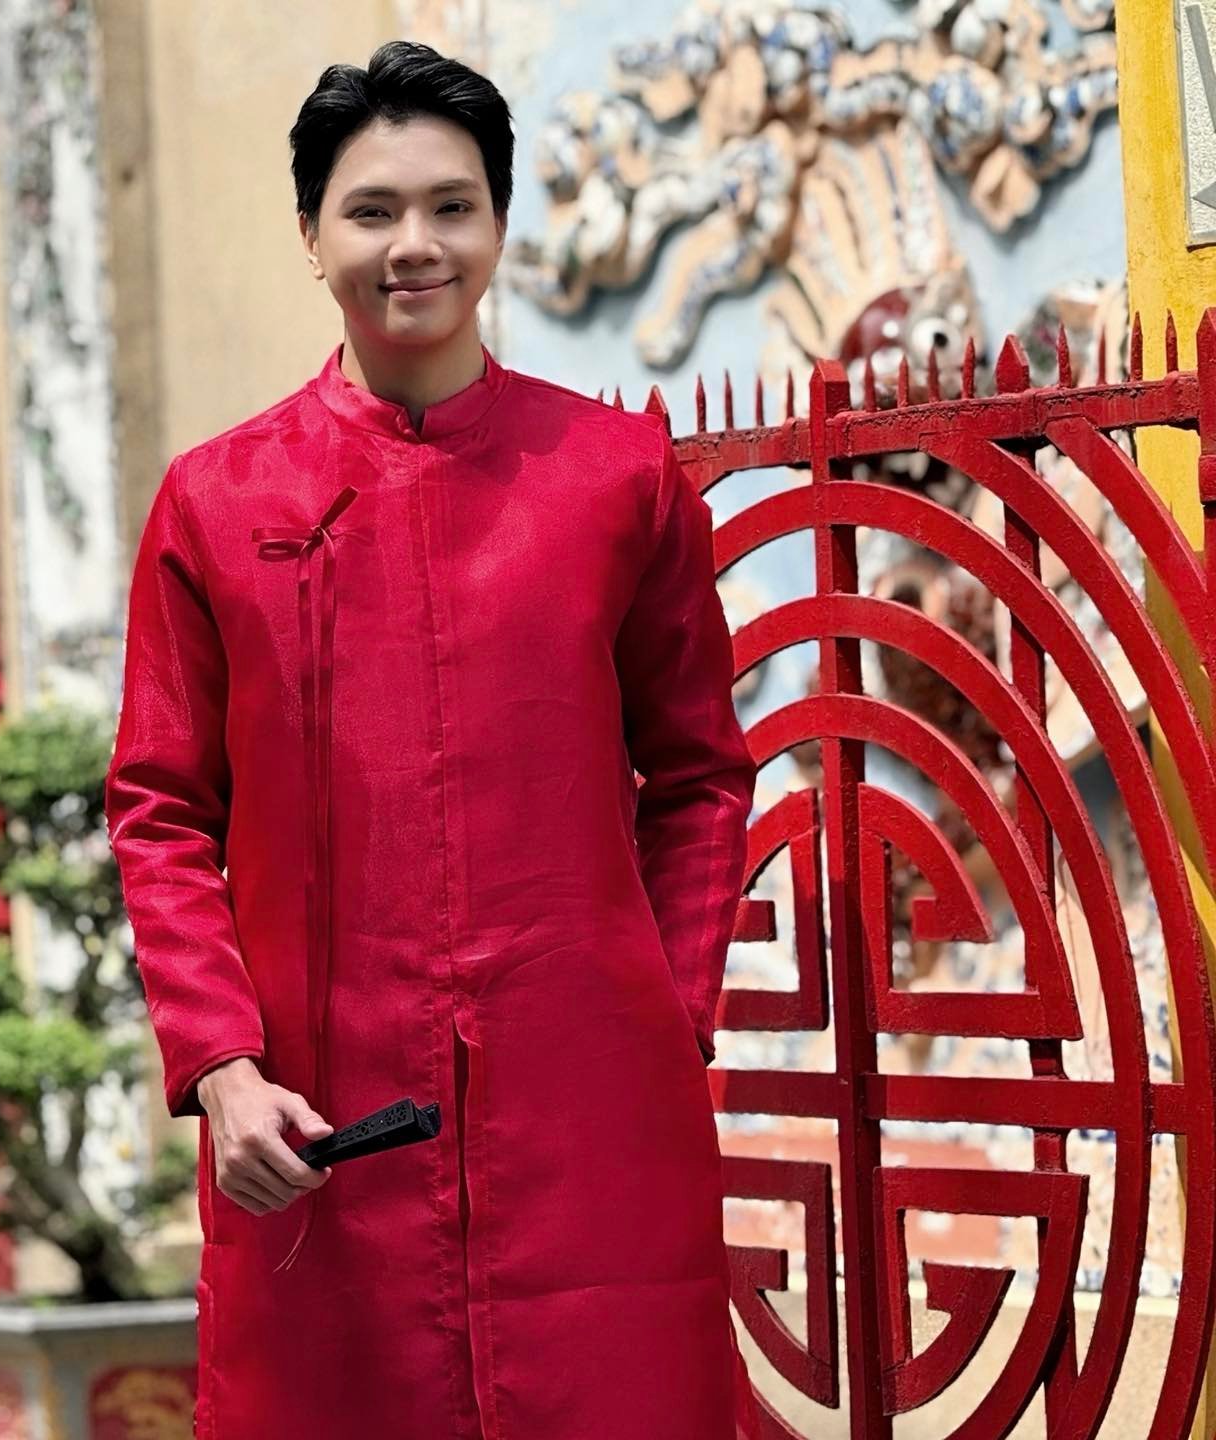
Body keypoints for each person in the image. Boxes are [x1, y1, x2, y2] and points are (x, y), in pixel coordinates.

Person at [105, 37, 759, 1440]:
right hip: (319, 1123)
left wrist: (666, 1013)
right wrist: (221, 1066)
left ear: (500, 225)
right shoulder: (217, 501)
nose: (417, 244)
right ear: (310, 235)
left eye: (453, 206)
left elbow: (703, 772)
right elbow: (160, 805)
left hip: (590, 1115)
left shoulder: (616, 477)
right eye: (373, 209)